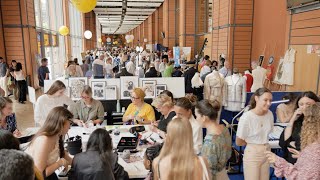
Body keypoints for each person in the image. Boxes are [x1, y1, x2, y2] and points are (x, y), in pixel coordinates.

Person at [266, 103, 320, 180]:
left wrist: (279, 161)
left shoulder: (314, 149)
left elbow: (302, 177)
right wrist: (304, 156)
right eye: (301, 104)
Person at [25, 107, 73, 179]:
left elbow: (62, 153)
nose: (70, 127)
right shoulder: (44, 140)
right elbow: (40, 174)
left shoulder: (57, 134)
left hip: (47, 173)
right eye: (70, 123)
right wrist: (60, 163)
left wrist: (78, 163)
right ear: (61, 124)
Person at [236, 87, 274, 180]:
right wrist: (254, 145)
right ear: (256, 98)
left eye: (270, 100)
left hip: (267, 151)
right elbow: (239, 142)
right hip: (253, 153)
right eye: (265, 100)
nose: (268, 103)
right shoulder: (247, 117)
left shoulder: (270, 114)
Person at [279, 91, 319, 164]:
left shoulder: (317, 123)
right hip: (294, 164)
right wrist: (293, 118)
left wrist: (296, 145)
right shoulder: (298, 122)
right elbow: (284, 141)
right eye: (301, 104)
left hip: (311, 163)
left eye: (308, 104)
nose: (304, 107)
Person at [195, 100, 232, 179]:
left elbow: (209, 171)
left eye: (197, 116)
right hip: (223, 174)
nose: (196, 119)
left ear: (204, 117)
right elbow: (229, 153)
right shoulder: (224, 129)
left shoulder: (210, 142)